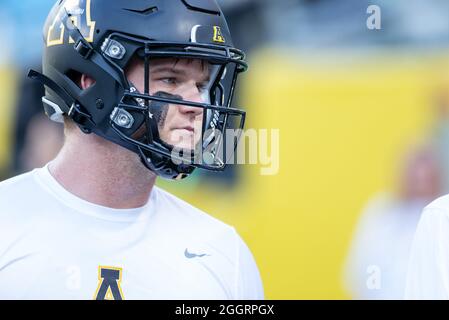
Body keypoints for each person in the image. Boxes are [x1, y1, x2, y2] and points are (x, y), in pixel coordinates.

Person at [0, 0, 264, 300]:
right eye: (170, 79)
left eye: (202, 84)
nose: (197, 104)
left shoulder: (222, 252)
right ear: (89, 83)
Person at [344, 144, 442, 299]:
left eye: (427, 179)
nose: (421, 184)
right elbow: (360, 268)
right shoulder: (381, 211)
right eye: (416, 178)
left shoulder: (441, 216)